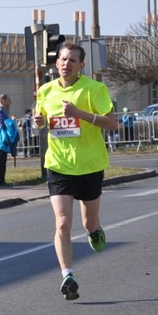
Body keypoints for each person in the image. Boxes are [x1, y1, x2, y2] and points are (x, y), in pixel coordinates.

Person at [33, 43, 119, 301]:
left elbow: (112, 123)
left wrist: (78, 113)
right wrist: (39, 122)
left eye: (72, 60)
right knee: (62, 222)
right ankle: (67, 276)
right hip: (59, 165)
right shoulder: (46, 90)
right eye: (62, 59)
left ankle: (94, 231)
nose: (66, 64)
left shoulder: (94, 89)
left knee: (88, 222)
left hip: (90, 165)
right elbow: (42, 120)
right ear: (56, 63)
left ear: (81, 65)